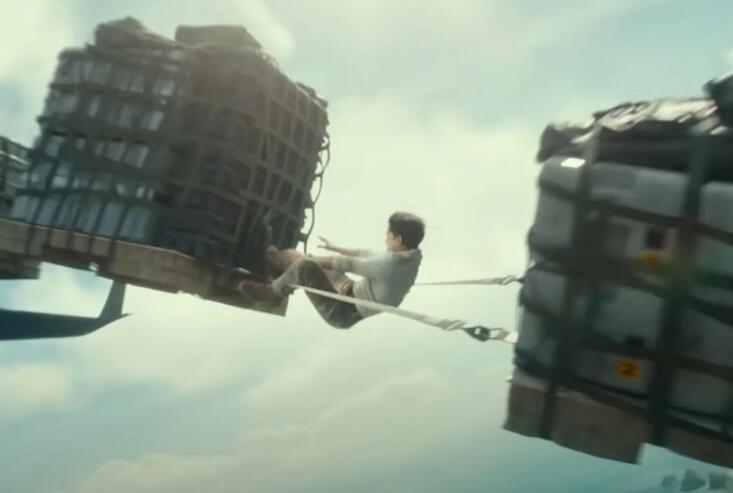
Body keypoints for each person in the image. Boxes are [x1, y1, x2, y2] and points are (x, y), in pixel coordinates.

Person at [242, 212, 425, 329]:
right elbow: (366, 253)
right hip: (349, 291)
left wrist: (308, 260)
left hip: (342, 310)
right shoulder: (410, 257)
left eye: (388, 236)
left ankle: (271, 293)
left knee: (305, 266)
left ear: (398, 240)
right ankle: (272, 254)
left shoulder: (391, 264)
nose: (385, 239)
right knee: (308, 263)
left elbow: (347, 264)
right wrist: (334, 247)